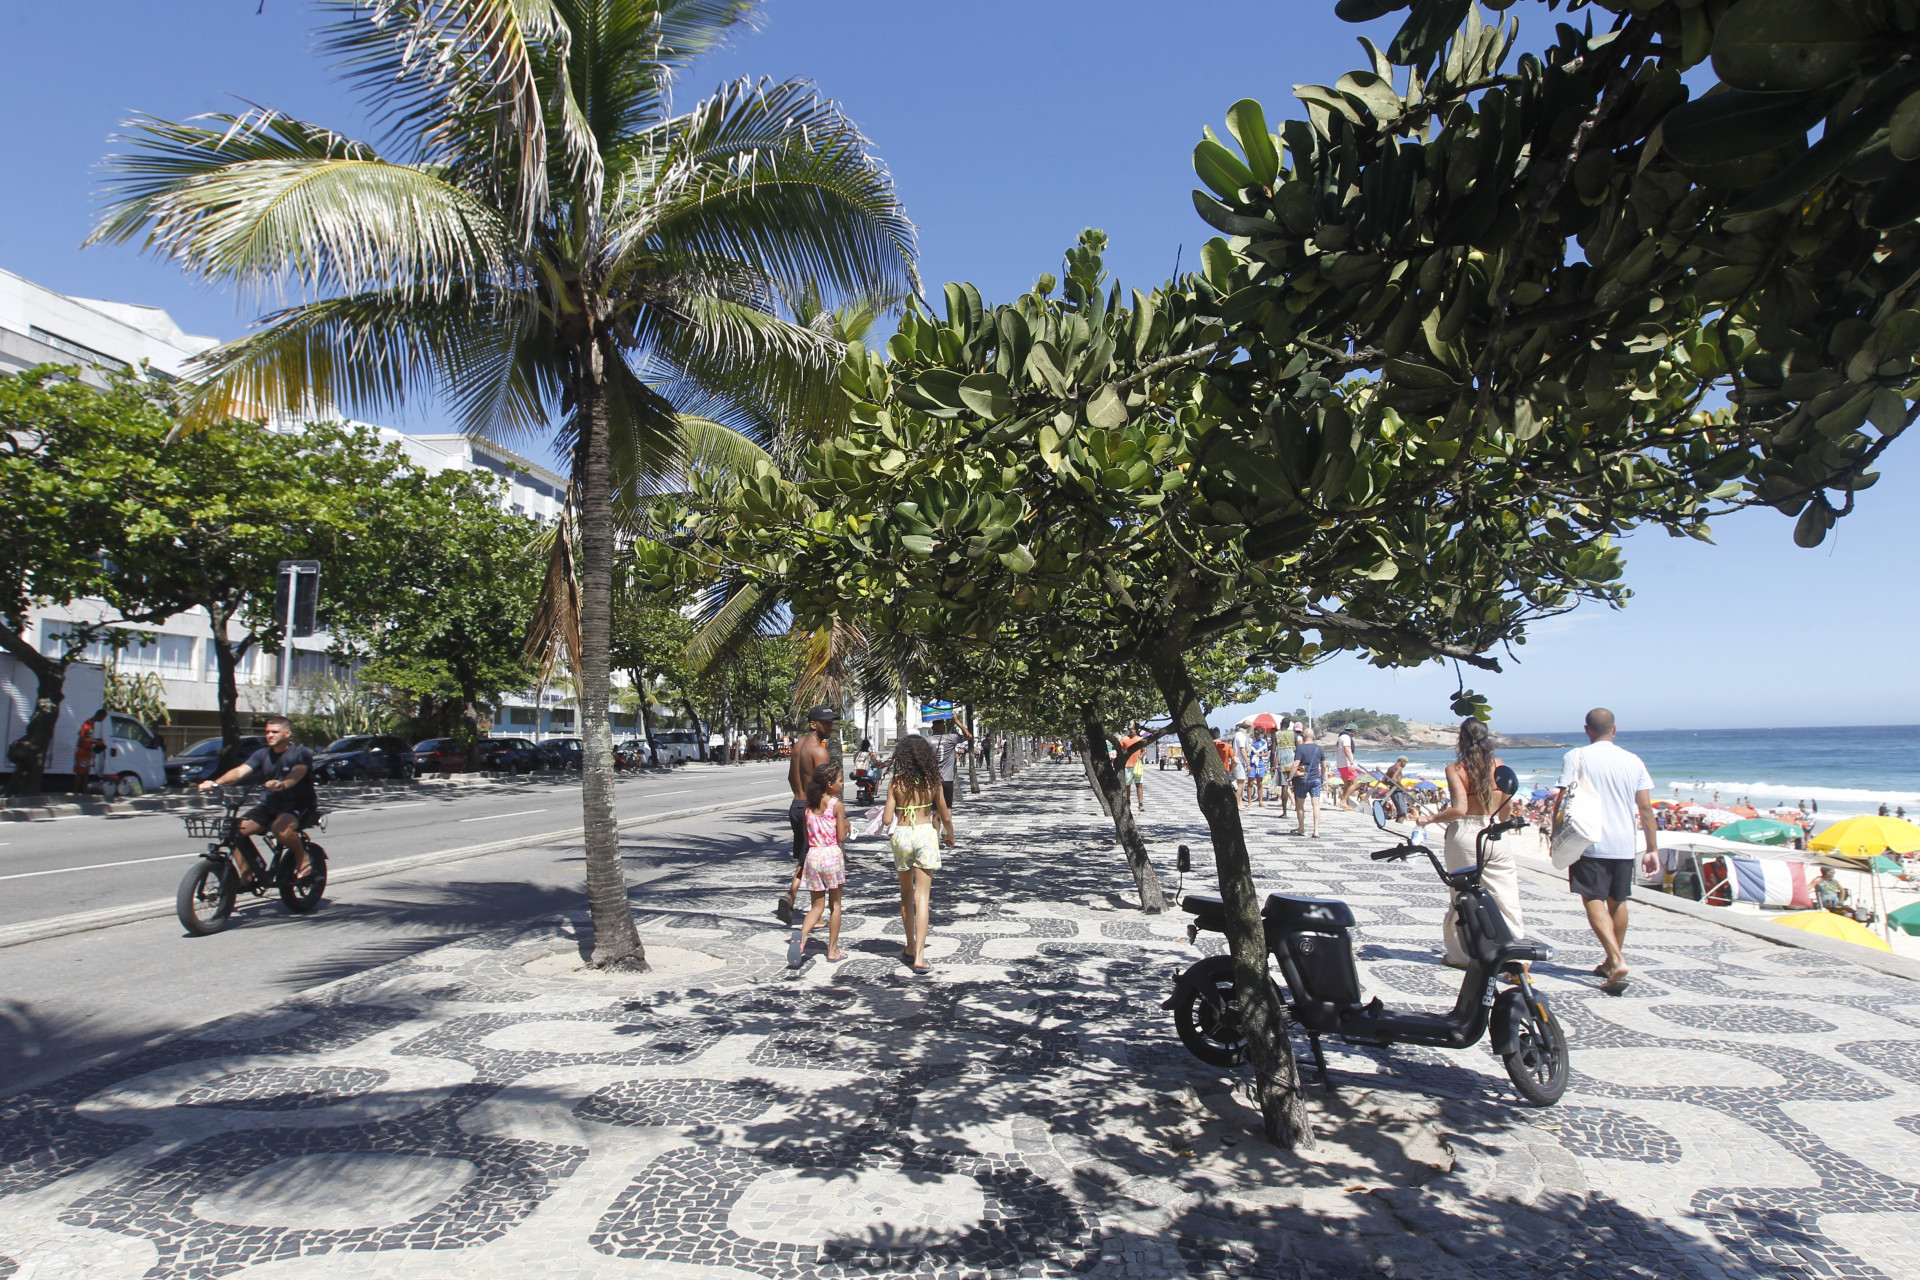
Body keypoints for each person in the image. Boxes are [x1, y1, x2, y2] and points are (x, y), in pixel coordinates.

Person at [1557, 708, 1658, 996]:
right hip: (1624, 843)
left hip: (1588, 841)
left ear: (1587, 729)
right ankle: (1609, 961)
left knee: (1593, 898)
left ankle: (1615, 959)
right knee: (1618, 900)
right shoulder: (1633, 761)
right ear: (1614, 730)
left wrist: (1556, 836)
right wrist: (1651, 848)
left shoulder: (1576, 757)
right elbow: (1647, 809)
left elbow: (1563, 799)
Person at [1417, 720, 1524, 970]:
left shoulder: (1456, 769)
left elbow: (1459, 809)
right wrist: (1499, 823)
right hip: (1495, 830)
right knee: (1505, 895)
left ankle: (1460, 955)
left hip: (1466, 833)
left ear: (1460, 739)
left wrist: (1431, 818)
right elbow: (1507, 805)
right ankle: (1516, 956)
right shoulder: (1500, 766)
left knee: (1461, 896)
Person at [196, 714, 317, 883]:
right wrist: (216, 783)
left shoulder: (300, 753)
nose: (270, 735)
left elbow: (298, 772)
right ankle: (248, 874)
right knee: (234, 831)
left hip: (297, 804)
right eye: (267, 732)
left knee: (281, 829)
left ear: (287, 733)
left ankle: (303, 860)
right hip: (269, 805)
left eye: (275, 732)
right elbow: (240, 771)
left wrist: (282, 784)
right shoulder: (262, 754)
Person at [884, 734, 953, 974]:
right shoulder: (933, 782)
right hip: (925, 833)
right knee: (922, 897)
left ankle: (910, 946)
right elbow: (944, 815)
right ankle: (920, 956)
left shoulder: (895, 783)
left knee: (905, 895)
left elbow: (886, 819)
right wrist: (950, 835)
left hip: (902, 835)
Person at [778, 705, 839, 926]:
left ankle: (792, 896)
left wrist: (800, 797)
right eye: (826, 722)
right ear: (813, 724)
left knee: (805, 857)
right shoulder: (819, 751)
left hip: (796, 805)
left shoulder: (798, 746)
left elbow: (790, 777)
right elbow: (826, 787)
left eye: (832, 722)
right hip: (810, 809)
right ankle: (798, 900)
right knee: (818, 858)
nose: (830, 726)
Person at [789, 761, 849, 967]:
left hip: (813, 857)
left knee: (817, 906)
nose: (842, 784)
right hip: (831, 855)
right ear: (830, 784)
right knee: (835, 905)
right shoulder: (836, 805)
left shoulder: (808, 806)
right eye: (840, 781)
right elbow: (840, 836)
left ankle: (802, 936)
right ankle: (832, 950)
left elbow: (807, 836)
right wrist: (847, 827)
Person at [923, 714, 974, 810]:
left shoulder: (926, 740)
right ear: (943, 728)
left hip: (933, 779)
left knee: (935, 810)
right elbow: (969, 736)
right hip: (947, 779)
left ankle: (936, 824)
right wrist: (956, 721)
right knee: (948, 808)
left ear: (933, 728)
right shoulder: (950, 738)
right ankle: (947, 825)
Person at [1290, 726, 1325, 838]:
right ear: (1313, 737)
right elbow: (1323, 765)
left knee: (1300, 805)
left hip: (1302, 780)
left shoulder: (1300, 748)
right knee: (1316, 805)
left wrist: (1290, 778)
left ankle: (1301, 828)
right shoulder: (1319, 749)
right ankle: (1316, 831)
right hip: (1315, 779)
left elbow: (1296, 763)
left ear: (1303, 736)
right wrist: (1322, 777)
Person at [1118, 726, 1148, 812]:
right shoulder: (1124, 739)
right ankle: (1127, 801)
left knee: (1139, 785)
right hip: (1127, 766)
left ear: (1136, 730)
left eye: (1134, 729)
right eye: (1130, 729)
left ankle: (1141, 804)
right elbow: (1119, 750)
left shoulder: (1140, 739)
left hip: (1137, 766)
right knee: (1127, 786)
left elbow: (1143, 751)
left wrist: (1141, 757)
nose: (1132, 731)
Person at [1270, 718, 1296, 817]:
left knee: (1284, 786)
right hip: (1293, 762)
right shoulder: (1293, 734)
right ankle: (1298, 807)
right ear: (1289, 725)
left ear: (1281, 724)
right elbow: (1298, 749)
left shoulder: (1276, 735)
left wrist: (1272, 765)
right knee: (1296, 786)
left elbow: (1273, 751)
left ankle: (1285, 812)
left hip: (1282, 762)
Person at [1335, 723, 1361, 812]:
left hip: (1340, 764)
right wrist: (1351, 762)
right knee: (1355, 783)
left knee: (1347, 784)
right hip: (1346, 764)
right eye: (1355, 732)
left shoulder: (1340, 737)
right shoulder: (1346, 737)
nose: (1355, 734)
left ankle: (1345, 803)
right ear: (1352, 731)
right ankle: (1343, 801)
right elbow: (1347, 749)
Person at [1245, 728, 1271, 809]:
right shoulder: (1250, 741)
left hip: (1260, 763)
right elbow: (1246, 751)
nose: (1256, 735)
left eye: (1258, 734)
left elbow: (1266, 753)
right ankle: (1249, 801)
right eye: (1255, 733)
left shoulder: (1263, 742)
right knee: (1250, 783)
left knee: (1260, 783)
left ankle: (1260, 801)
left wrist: (1260, 755)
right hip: (1252, 763)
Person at [1230, 720, 1254, 806]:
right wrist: (1248, 763)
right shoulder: (1241, 736)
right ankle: (1237, 804)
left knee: (1240, 784)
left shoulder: (1238, 734)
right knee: (1240, 784)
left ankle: (1240, 803)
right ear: (1248, 727)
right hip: (1240, 762)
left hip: (1238, 761)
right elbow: (1242, 750)